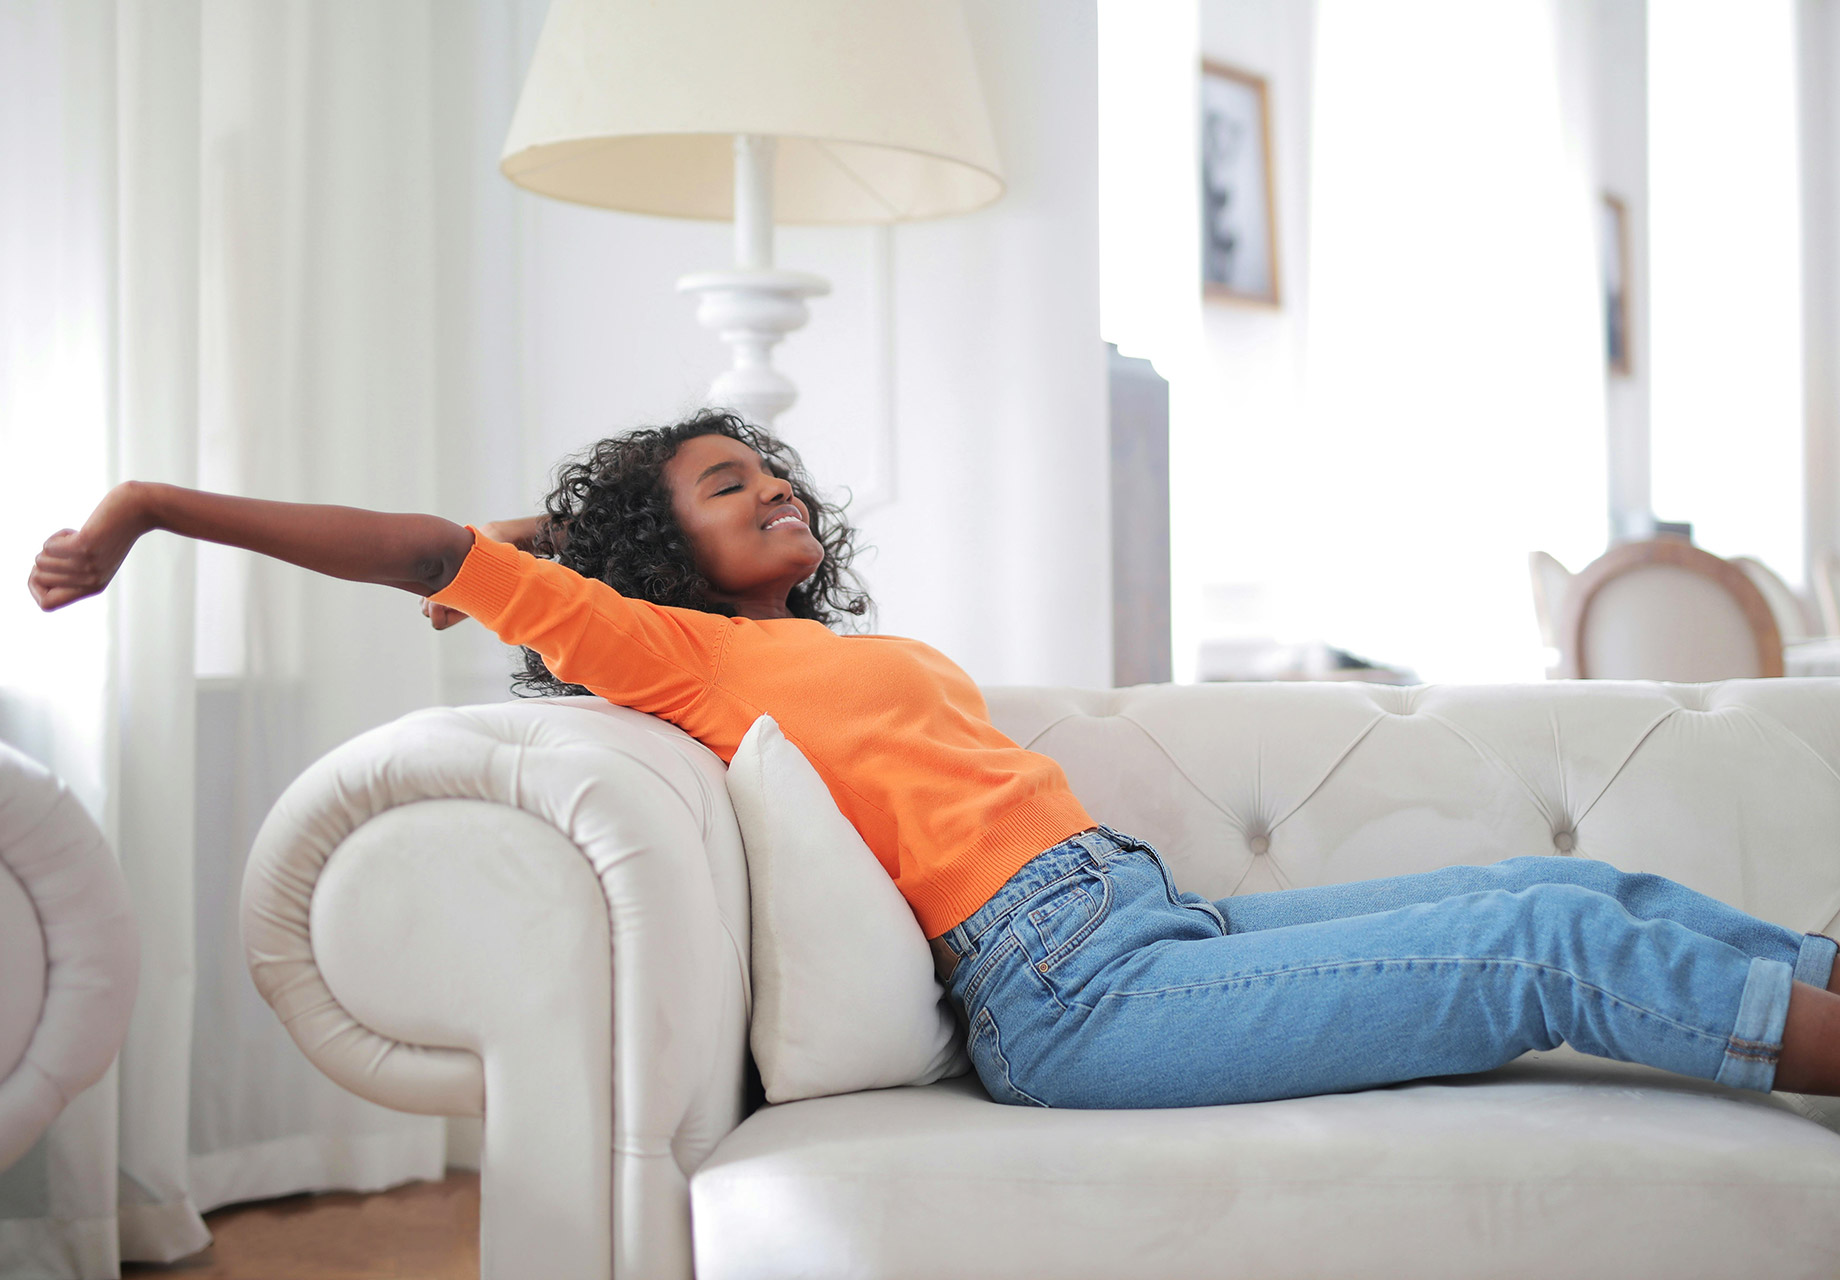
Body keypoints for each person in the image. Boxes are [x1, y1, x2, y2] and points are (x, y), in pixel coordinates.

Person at [28, 409, 1840, 1107]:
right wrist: (151, 509)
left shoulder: (798, 645)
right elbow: (437, 544)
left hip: (1154, 931)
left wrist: (564, 538)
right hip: (1073, 1002)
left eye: (778, 467)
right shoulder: (672, 657)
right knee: (1543, 956)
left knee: (1558, 885)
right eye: (730, 484)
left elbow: (534, 543)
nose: (780, 488)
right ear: (658, 560)